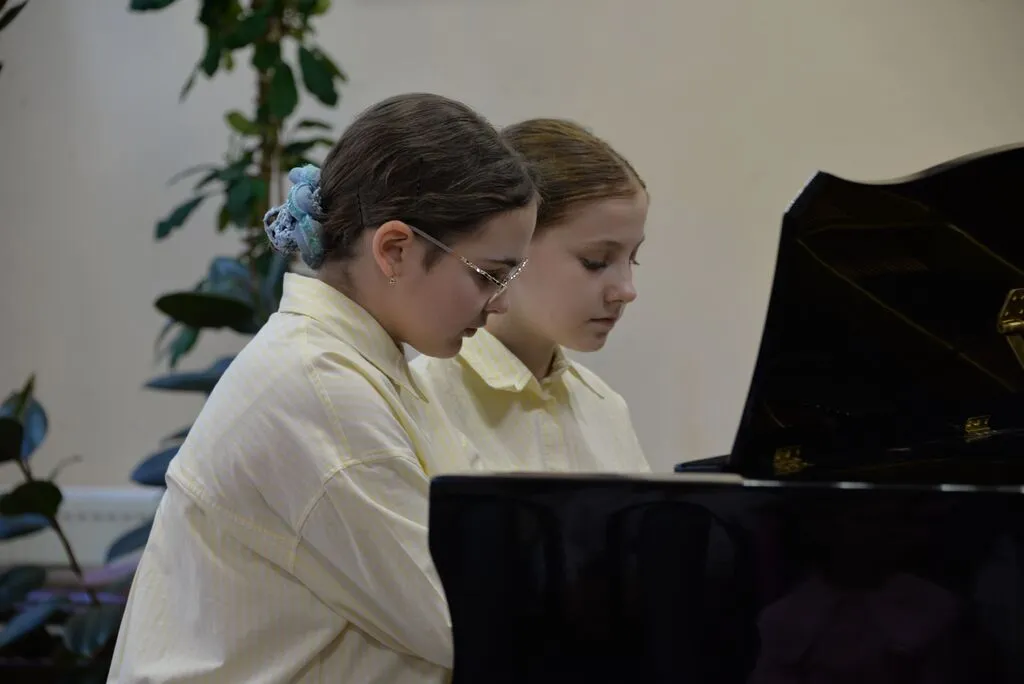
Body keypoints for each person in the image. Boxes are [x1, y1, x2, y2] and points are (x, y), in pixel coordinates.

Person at [107, 93, 538, 683]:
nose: (501, 303)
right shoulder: (321, 389)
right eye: (490, 275)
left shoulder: (360, 365)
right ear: (394, 249)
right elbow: (463, 618)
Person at [411, 118, 650, 473]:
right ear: (511, 244)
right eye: (596, 261)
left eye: (633, 259)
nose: (627, 290)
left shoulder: (606, 408)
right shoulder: (422, 401)